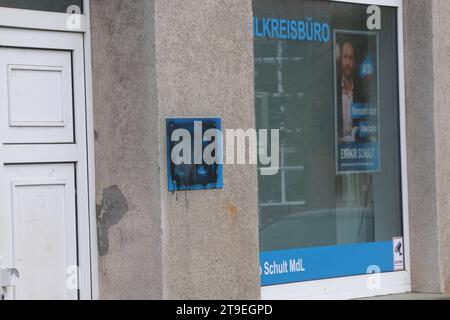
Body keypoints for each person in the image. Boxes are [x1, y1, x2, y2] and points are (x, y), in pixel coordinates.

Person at [337, 40, 366, 143]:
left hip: (356, 149)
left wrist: (355, 132)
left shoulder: (360, 91)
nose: (348, 63)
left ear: (354, 61)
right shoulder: (334, 90)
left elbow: (366, 124)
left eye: (351, 58)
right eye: (345, 57)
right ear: (341, 60)